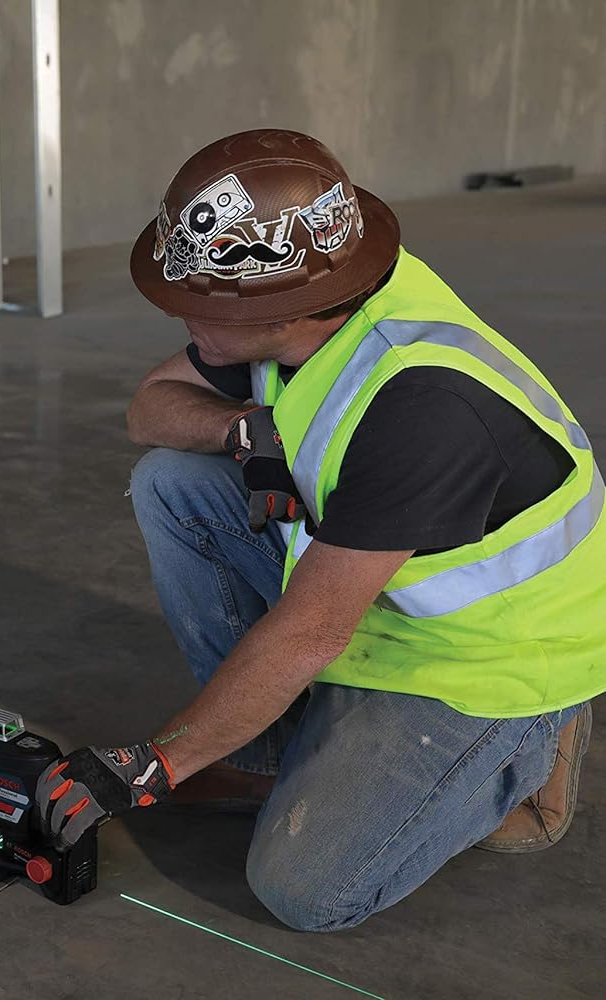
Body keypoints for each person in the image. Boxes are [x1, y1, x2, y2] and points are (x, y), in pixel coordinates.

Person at [34, 129, 601, 932]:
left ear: (281, 310)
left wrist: (156, 764)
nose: (177, 315)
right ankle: (270, 759)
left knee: (307, 890)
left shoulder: (421, 409)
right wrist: (243, 429)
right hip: (375, 593)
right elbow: (148, 410)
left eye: (199, 304)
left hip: (487, 661)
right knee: (172, 483)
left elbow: (310, 631)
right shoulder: (316, 299)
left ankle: (530, 749)